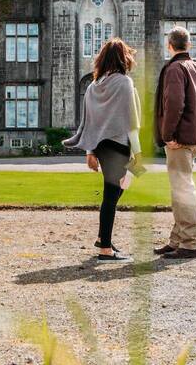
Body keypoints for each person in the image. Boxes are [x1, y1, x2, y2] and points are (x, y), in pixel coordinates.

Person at [64, 38, 144, 262]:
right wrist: (138, 155)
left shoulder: (93, 86)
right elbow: (132, 122)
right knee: (112, 196)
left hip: (101, 146)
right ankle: (105, 250)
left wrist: (90, 152)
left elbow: (87, 122)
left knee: (115, 193)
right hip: (119, 145)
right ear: (123, 58)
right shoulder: (124, 83)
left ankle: (102, 238)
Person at [153, 26, 196, 259]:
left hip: (179, 140)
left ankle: (189, 242)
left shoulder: (175, 69)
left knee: (183, 189)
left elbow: (174, 105)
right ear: (189, 45)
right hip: (193, 138)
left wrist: (168, 135)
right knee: (181, 187)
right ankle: (177, 239)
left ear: (169, 46)